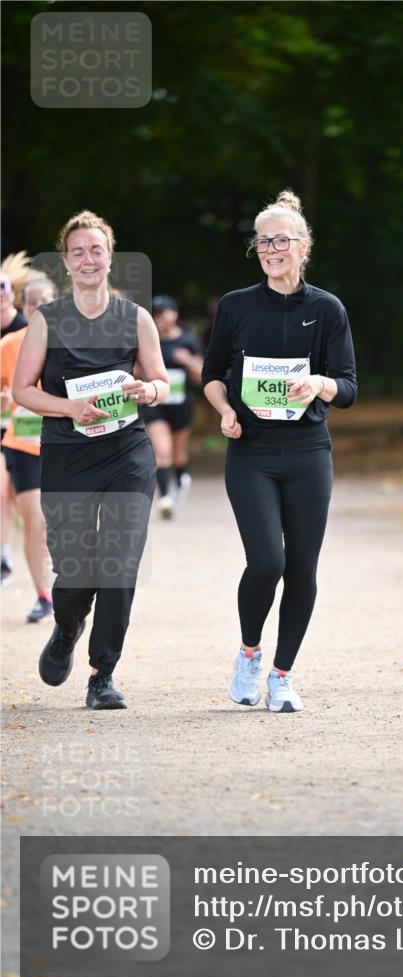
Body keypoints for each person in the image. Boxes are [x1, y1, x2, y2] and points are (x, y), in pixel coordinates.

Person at [203, 189, 357, 713]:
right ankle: (248, 653)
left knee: (304, 569)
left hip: (310, 452)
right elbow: (211, 376)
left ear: (303, 246)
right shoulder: (236, 306)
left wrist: (319, 384)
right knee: (268, 559)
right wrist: (224, 411)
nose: (272, 248)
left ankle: (282, 675)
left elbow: (350, 386)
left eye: (282, 240)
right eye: (264, 240)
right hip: (252, 453)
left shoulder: (328, 309)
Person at [13, 210, 169, 709]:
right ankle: (66, 626)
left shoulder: (136, 318)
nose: (87, 258)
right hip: (67, 453)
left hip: (127, 452)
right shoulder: (47, 320)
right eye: (78, 251)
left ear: (110, 256)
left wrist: (147, 388)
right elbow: (22, 392)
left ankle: (103, 674)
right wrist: (70, 408)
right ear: (66, 261)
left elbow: (161, 381)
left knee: (121, 561)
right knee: (76, 569)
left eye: (96, 250)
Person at [0, 275, 57, 621]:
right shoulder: (9, 346)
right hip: (22, 442)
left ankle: (69, 586)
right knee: (34, 520)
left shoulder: (73, 342)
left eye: (46, 303)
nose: (39, 309)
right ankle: (43, 595)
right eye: (33, 304)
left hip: (64, 442)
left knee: (58, 520)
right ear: (25, 307)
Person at [143, 295, 203, 518]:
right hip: (156, 404)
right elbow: (138, 370)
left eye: (162, 312)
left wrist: (188, 361)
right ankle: (165, 498)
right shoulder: (149, 341)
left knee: (178, 455)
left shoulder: (187, 341)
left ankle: (181, 481)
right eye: (155, 313)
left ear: (174, 313)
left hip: (181, 405)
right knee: (163, 451)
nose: (159, 317)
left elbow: (202, 377)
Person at [1, 253, 31, 583]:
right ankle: (5, 557)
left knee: (11, 495)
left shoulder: (26, 330)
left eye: (2, 286)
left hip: (24, 425)